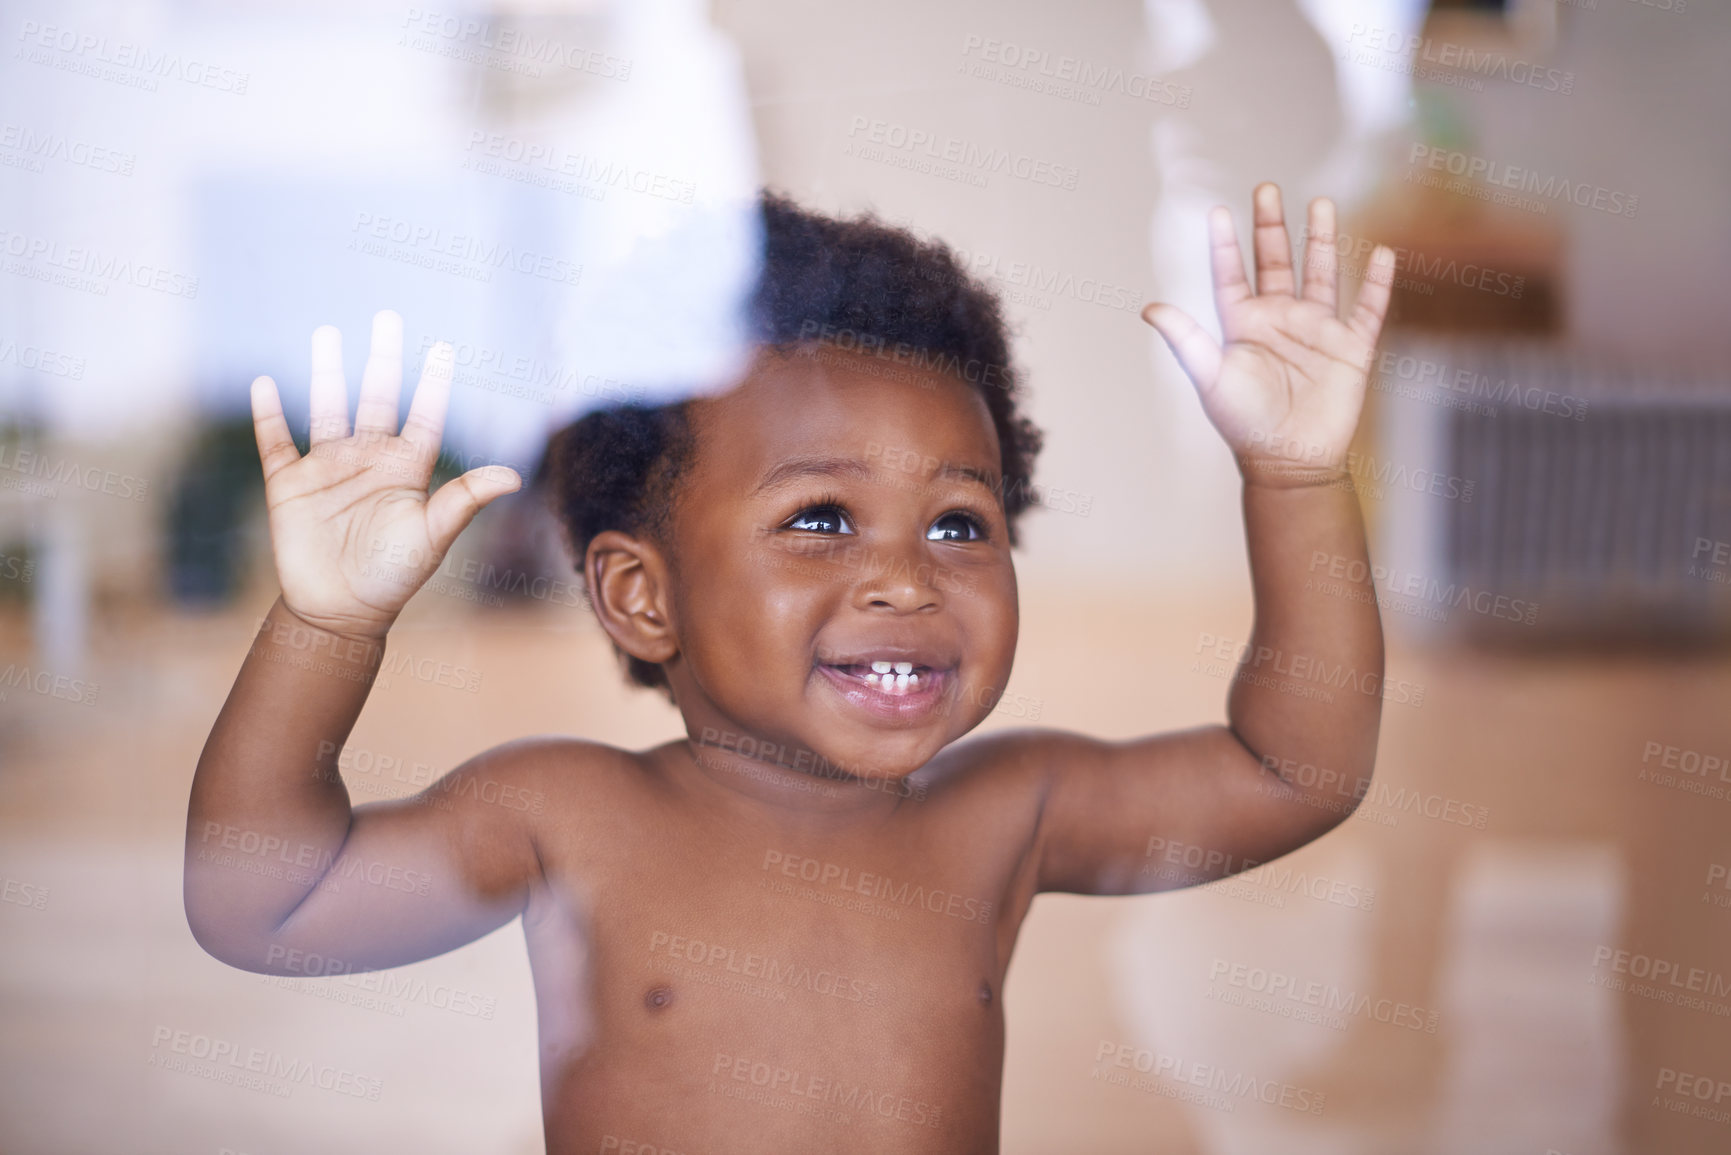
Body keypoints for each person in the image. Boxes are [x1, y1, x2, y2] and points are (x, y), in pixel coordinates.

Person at [185, 183, 1395, 1153]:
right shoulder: (567, 813)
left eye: (960, 523)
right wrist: (329, 626)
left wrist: (1293, 480)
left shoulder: (1007, 815)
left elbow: (1298, 766)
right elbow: (262, 905)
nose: (904, 579)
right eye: (821, 518)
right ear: (640, 594)